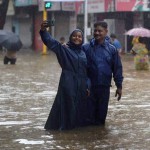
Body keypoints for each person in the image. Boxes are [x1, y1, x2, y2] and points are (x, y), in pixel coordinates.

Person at [39, 20, 90, 130]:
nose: (77, 38)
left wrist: (87, 86)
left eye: (79, 36)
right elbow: (51, 42)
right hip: (68, 83)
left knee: (78, 111)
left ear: (82, 39)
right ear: (70, 38)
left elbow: (86, 72)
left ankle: (73, 134)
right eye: (75, 36)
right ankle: (63, 132)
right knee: (67, 107)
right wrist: (43, 31)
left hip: (81, 86)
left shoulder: (83, 53)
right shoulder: (64, 49)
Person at [82, 21, 123, 126]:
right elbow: (80, 67)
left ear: (106, 32)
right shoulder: (86, 48)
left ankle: (99, 138)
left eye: (100, 31)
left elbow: (117, 69)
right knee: (88, 118)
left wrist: (119, 86)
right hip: (89, 88)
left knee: (101, 118)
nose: (97, 33)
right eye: (95, 30)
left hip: (104, 88)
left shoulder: (112, 49)